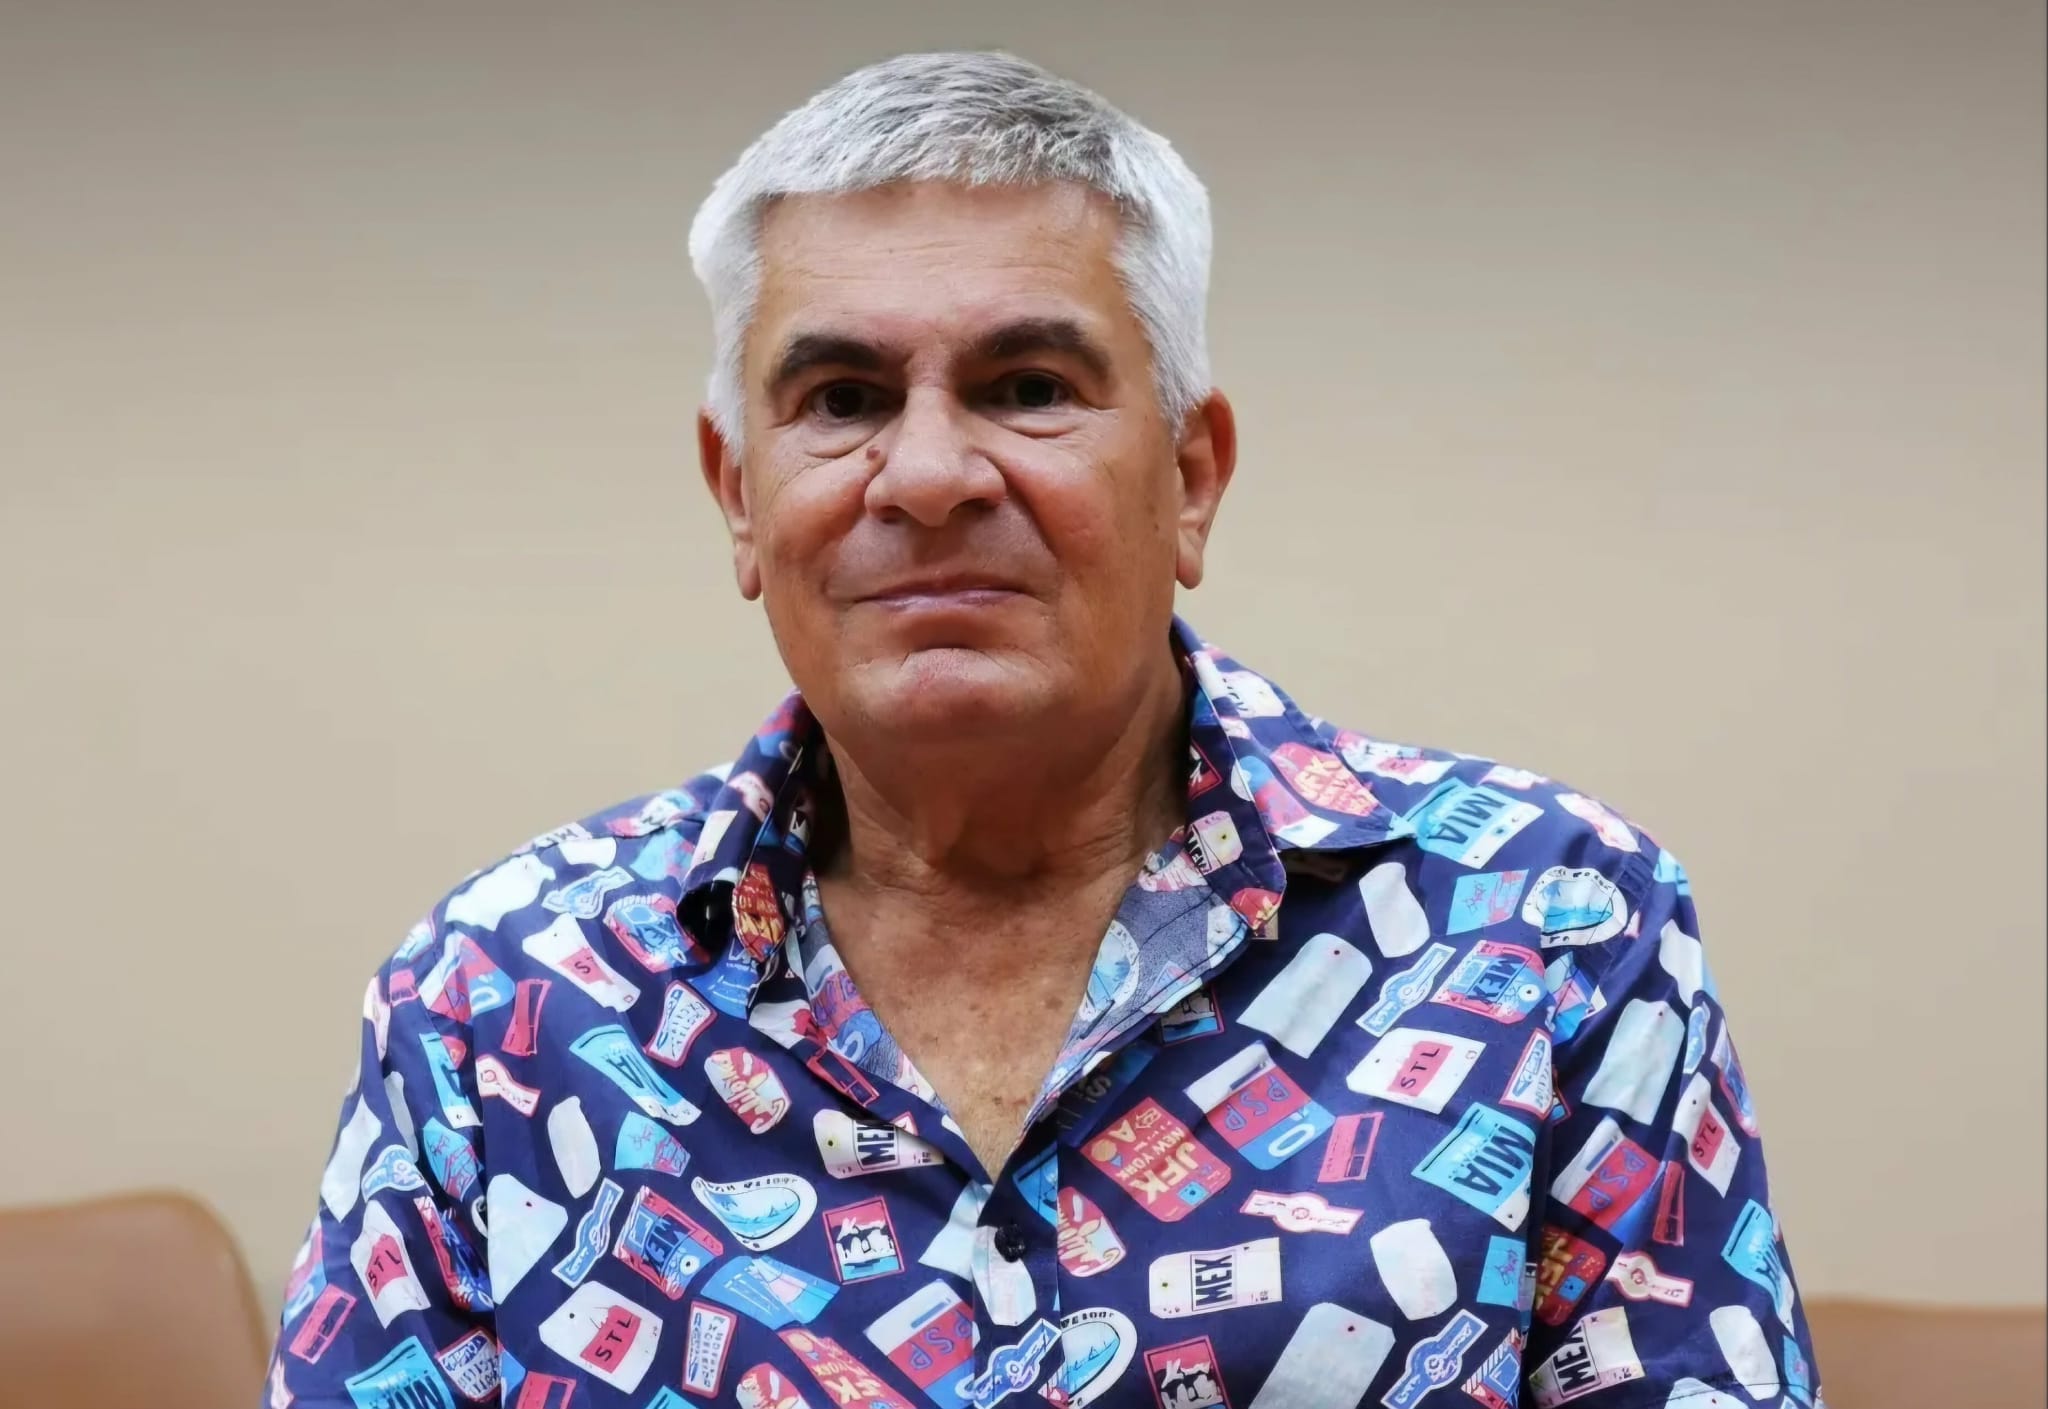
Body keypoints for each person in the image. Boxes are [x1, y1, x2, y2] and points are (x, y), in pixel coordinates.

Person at [264, 50, 1824, 1409]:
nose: (928, 476)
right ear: (739, 494)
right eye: (842, 400)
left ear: (1192, 476)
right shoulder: (499, 1004)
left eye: (1025, 386)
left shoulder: (1551, 930)